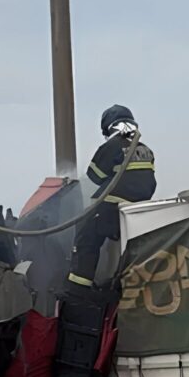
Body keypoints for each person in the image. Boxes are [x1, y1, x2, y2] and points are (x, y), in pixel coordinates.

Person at [69, 104, 158, 289]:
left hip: (113, 207)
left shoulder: (111, 146)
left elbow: (95, 176)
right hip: (139, 209)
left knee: (86, 236)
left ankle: (79, 287)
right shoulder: (146, 150)